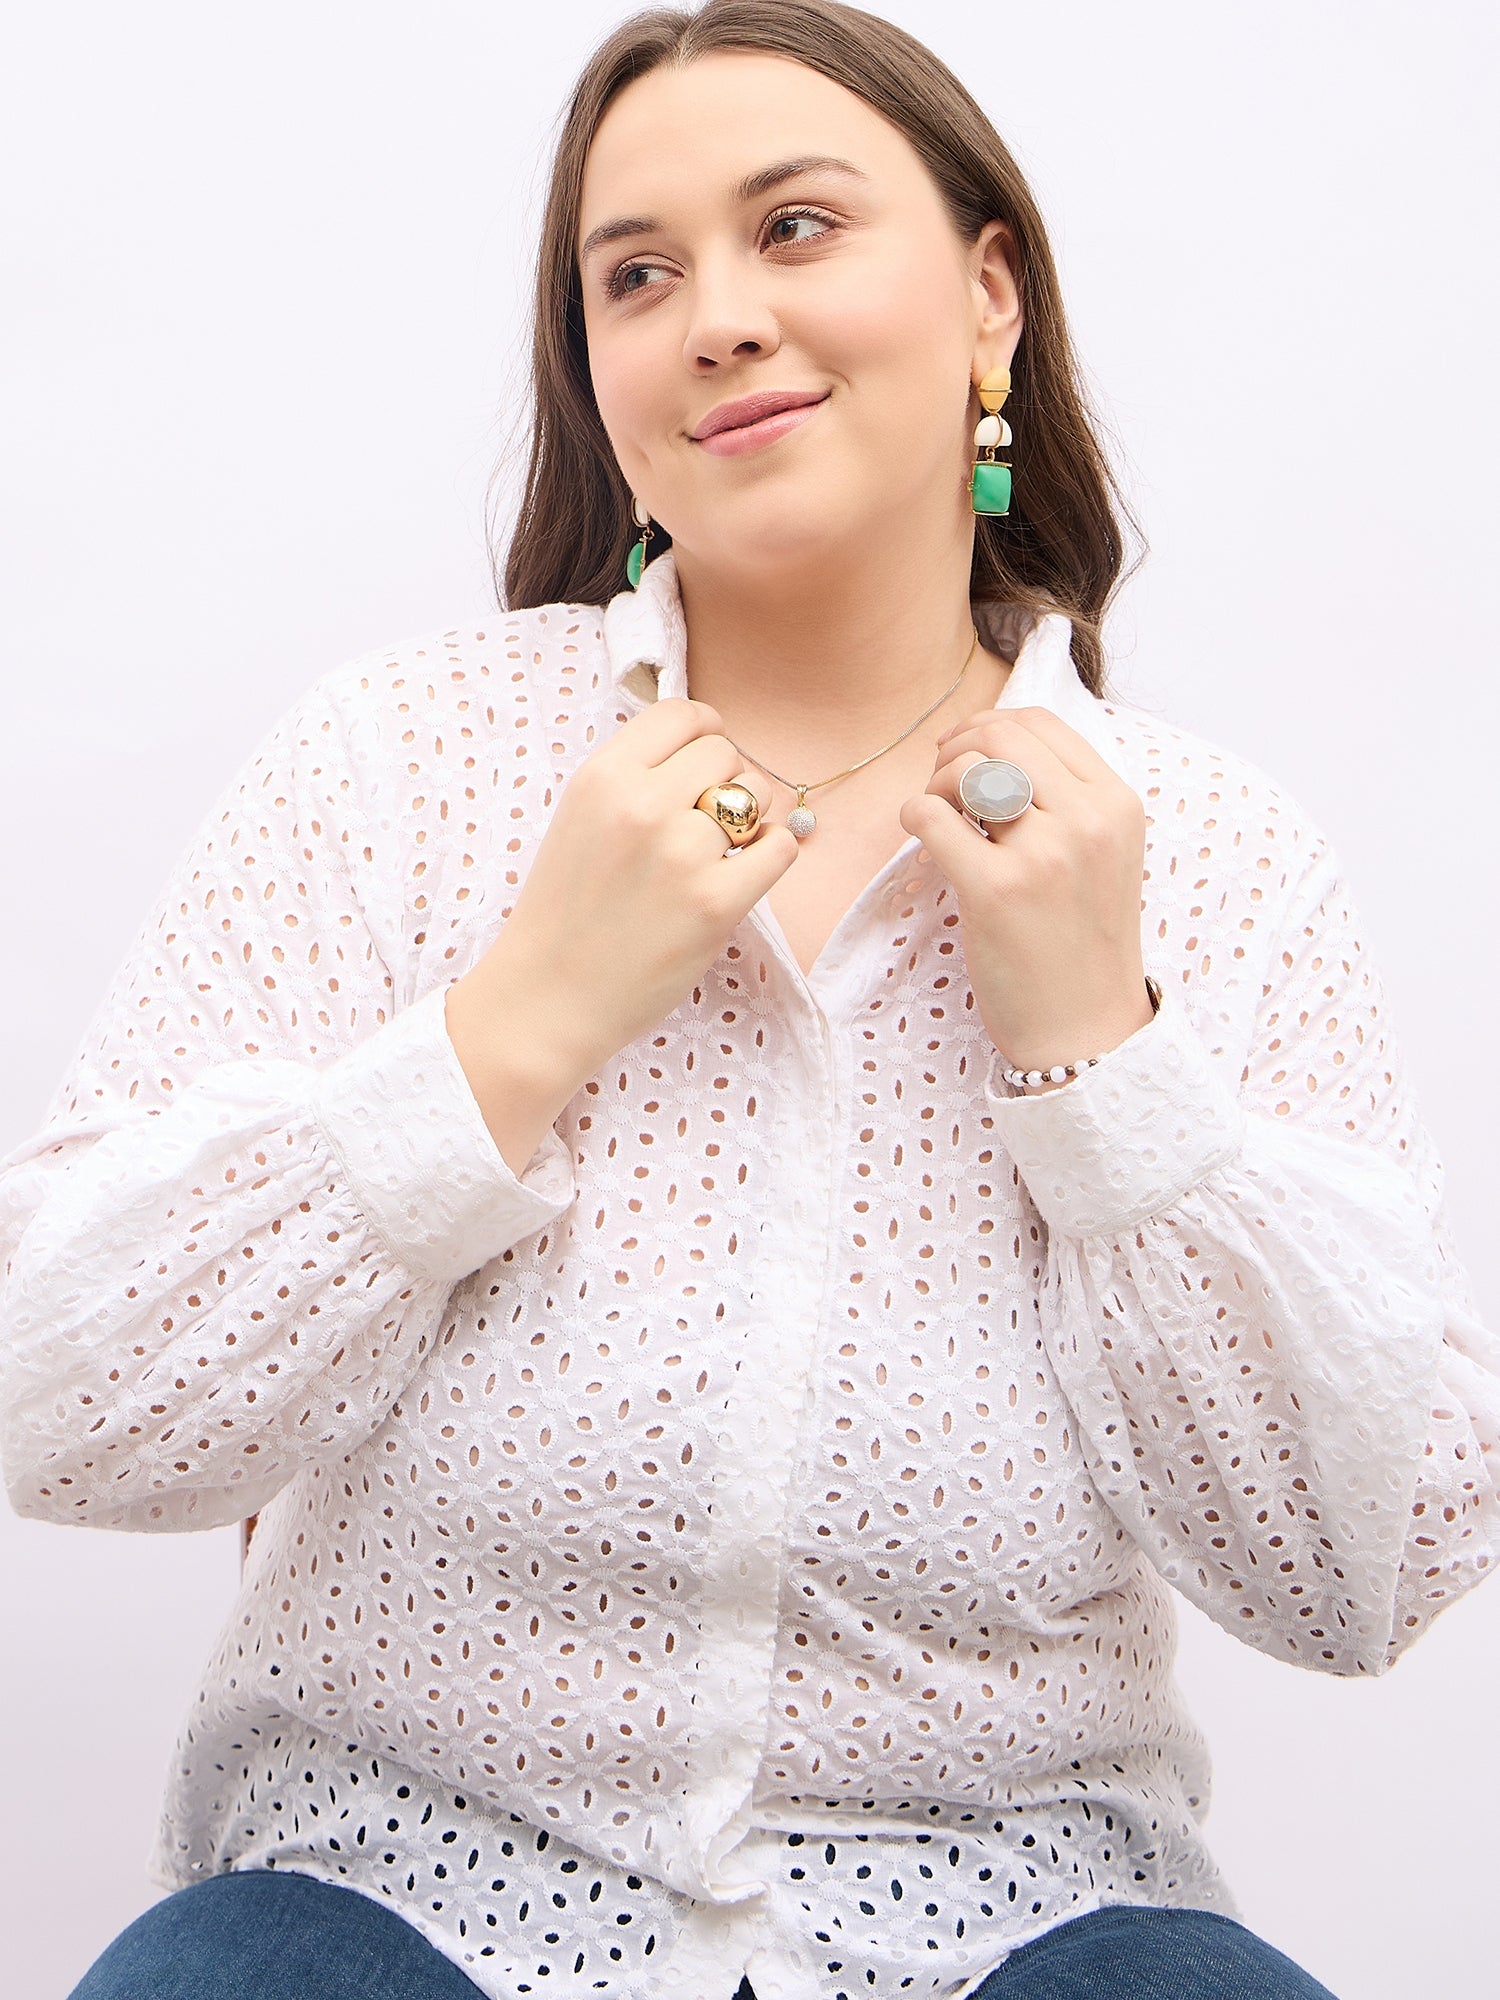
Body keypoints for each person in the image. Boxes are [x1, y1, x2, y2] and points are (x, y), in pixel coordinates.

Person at [3, 3, 1495, 1996]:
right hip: (387, 1887)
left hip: (1025, 1907)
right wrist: (519, 1020)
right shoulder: (398, 764)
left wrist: (1108, 1065)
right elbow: (58, 1404)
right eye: (636, 274)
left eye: (795, 227)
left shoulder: (1213, 856)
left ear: (989, 297)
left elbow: (1371, 1563)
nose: (716, 317)